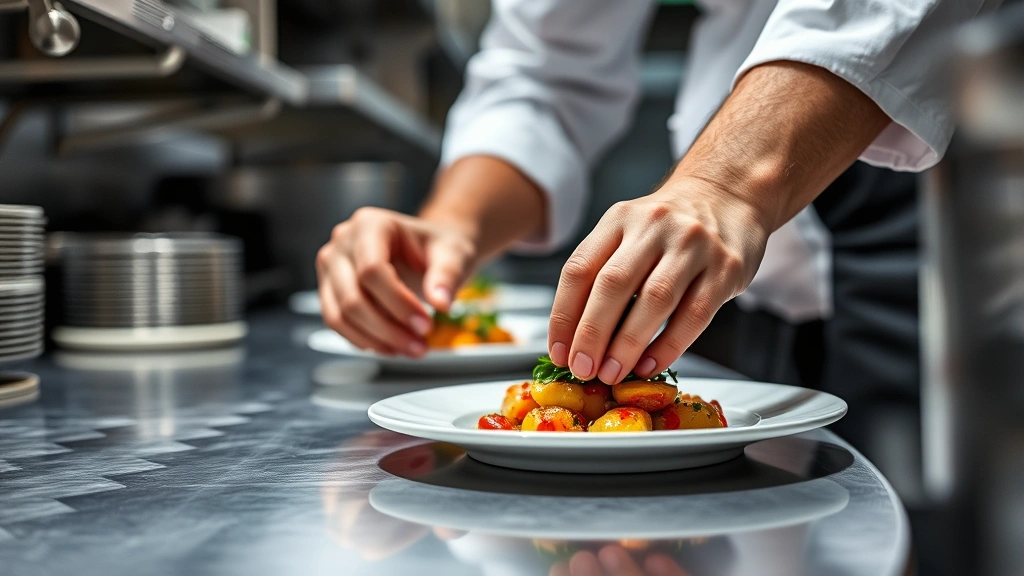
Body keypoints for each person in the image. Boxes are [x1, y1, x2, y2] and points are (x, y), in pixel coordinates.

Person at [315, 0, 995, 450]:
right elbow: (546, 72)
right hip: (763, 291)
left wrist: (724, 183)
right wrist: (451, 226)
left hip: (951, 209)